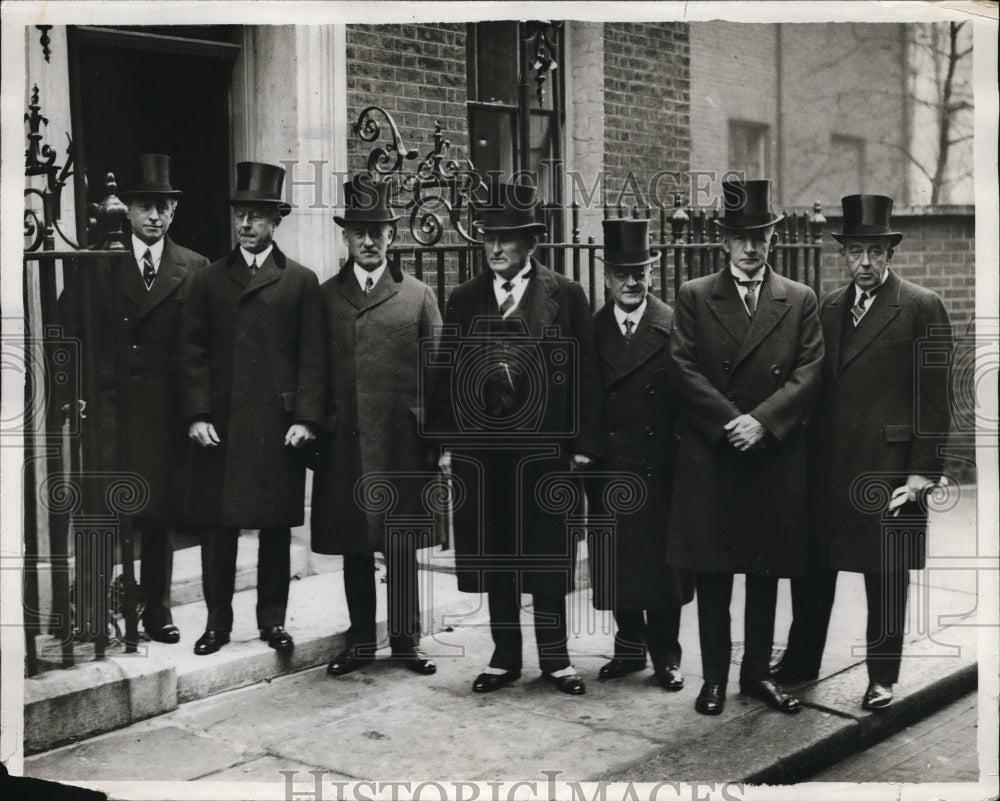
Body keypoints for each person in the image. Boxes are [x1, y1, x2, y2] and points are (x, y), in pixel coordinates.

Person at [771, 194, 952, 711]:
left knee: (886, 576)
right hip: (828, 467)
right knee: (813, 572)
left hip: (890, 469)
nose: (865, 263)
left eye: (874, 251)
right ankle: (801, 662)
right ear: (843, 254)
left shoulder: (922, 305)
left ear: (889, 252)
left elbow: (935, 398)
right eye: (855, 251)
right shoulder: (827, 307)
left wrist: (923, 473)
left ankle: (882, 676)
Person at [427, 179, 604, 696]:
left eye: (508, 239)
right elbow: (445, 374)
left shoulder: (565, 296)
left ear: (531, 244)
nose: (496, 249)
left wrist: (585, 444)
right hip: (484, 456)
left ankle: (556, 659)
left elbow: (587, 375)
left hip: (546, 454)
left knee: (547, 556)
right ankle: (505, 656)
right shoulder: (464, 298)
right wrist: (445, 445)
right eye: (489, 239)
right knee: (496, 553)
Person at [666, 179, 824, 715]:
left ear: (773, 239)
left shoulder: (798, 300)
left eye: (759, 236)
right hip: (714, 456)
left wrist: (762, 422)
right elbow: (681, 368)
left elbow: (809, 373)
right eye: (740, 237)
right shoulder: (693, 295)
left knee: (764, 573)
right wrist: (731, 421)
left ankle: (756, 675)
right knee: (713, 574)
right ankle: (712, 680)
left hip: (771, 456)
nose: (750, 247)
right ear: (724, 240)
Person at [179, 161, 325, 656]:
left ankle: (273, 621)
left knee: (275, 530)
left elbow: (313, 356)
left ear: (275, 221)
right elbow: (192, 353)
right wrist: (197, 414)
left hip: (277, 427)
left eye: (258, 215)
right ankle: (217, 623)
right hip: (220, 425)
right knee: (217, 528)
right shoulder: (209, 280)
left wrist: (306, 417)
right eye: (242, 213)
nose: (247, 224)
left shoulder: (301, 281)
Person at [70, 153, 209, 643]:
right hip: (108, 408)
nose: (154, 216)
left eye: (163, 207)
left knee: (158, 516)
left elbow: (201, 348)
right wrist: (78, 395)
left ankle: (157, 611)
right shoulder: (97, 259)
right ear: (126, 210)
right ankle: (92, 610)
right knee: (102, 511)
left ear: (174, 212)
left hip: (163, 413)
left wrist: (196, 410)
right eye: (145, 206)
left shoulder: (194, 267)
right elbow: (66, 330)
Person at [312, 174, 443, 677]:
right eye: (359, 232)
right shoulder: (325, 298)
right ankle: (362, 639)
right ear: (345, 237)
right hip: (345, 443)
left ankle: (406, 641)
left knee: (402, 543)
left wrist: (437, 441)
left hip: (402, 444)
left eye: (378, 232)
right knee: (354, 545)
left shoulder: (417, 296)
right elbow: (312, 370)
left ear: (392, 236)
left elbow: (439, 373)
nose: (368, 242)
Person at [587, 216, 694, 690]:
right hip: (611, 469)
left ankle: (666, 656)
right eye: (621, 273)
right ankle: (628, 648)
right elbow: (584, 401)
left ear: (652, 273)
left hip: (661, 468)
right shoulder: (591, 330)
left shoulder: (673, 326)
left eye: (641, 272)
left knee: (664, 566)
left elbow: (691, 399)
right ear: (606, 276)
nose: (631, 283)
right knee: (618, 560)